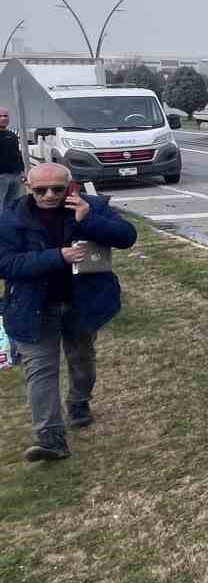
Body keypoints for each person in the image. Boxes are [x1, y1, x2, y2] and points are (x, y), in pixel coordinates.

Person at [0, 162, 138, 461]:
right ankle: (50, 437)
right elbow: (5, 264)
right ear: (27, 186)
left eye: (57, 189)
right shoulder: (10, 217)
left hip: (82, 303)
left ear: (70, 185)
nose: (49, 195)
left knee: (82, 359)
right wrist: (57, 257)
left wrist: (89, 220)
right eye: (40, 190)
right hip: (33, 306)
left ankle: (79, 402)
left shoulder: (92, 206)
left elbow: (127, 237)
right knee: (40, 369)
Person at [0, 105, 24, 208]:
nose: (3, 118)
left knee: (13, 205)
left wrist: (22, 171)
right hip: (1, 177)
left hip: (15, 176)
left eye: (5, 116)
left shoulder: (12, 135)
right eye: (0, 116)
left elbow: (17, 154)